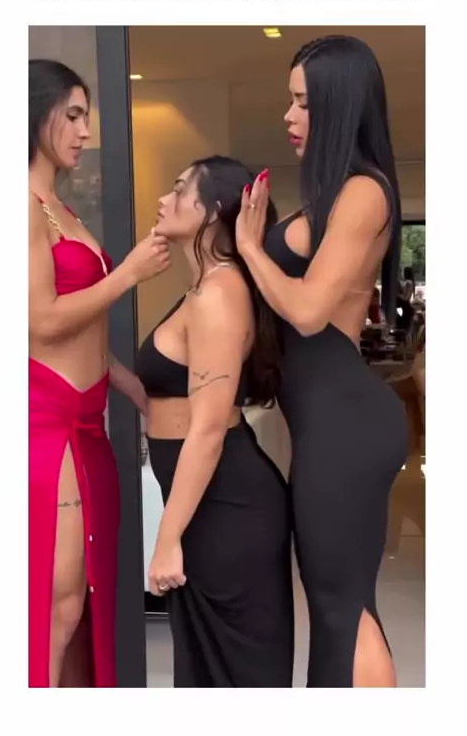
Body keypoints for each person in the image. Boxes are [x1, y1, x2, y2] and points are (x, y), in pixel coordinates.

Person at [235, 36, 408, 688]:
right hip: (326, 422)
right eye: (290, 100)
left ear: (339, 105)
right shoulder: (332, 195)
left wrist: (252, 249)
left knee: (341, 605)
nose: (289, 115)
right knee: (337, 601)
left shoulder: (365, 191)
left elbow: (307, 311)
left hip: (346, 424)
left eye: (303, 102)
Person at [29, 59, 171, 687]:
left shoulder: (59, 208)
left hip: (87, 423)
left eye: (87, 116)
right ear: (35, 114)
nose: (86, 131)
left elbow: (79, 328)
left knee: (82, 606)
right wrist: (129, 274)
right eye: (74, 115)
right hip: (47, 424)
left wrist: (133, 387)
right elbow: (40, 322)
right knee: (55, 607)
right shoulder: (18, 205)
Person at [136, 156, 295, 687]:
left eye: (179, 190)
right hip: (211, 507)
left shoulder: (219, 295)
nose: (164, 199)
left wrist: (166, 537)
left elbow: (206, 429)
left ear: (211, 212)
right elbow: (172, 391)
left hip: (227, 507)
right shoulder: (205, 290)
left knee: (233, 680)